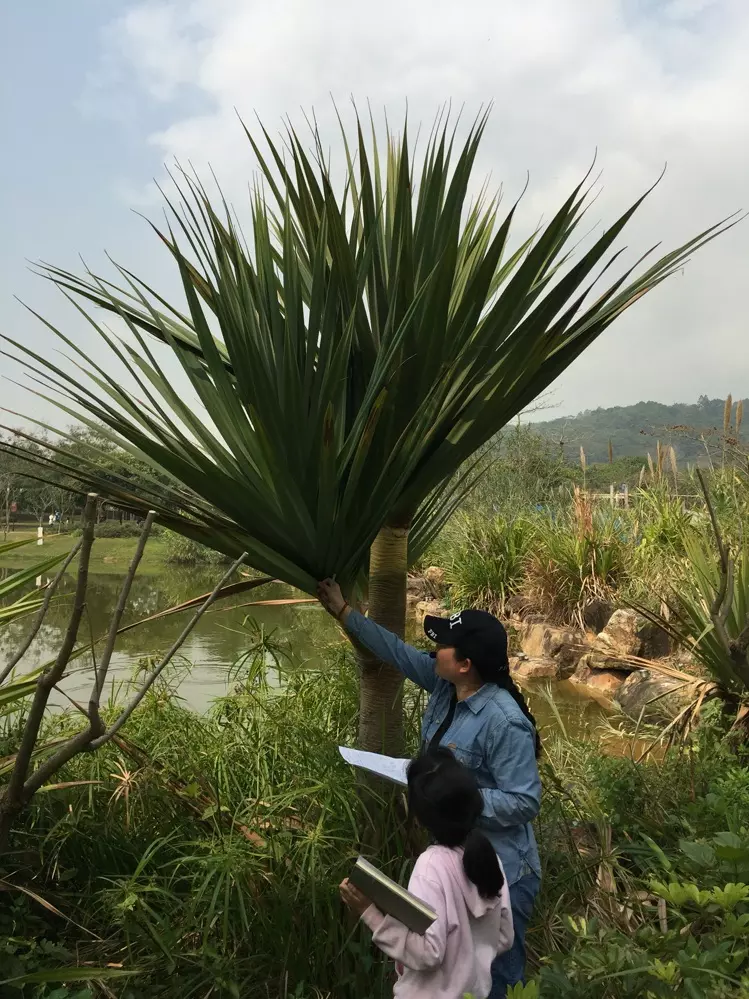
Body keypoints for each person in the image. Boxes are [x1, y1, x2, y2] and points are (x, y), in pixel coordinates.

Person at [318, 580, 541, 998]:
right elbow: (397, 652)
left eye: (444, 645)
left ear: (465, 663)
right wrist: (345, 613)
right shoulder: (445, 684)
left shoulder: (504, 721)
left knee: (498, 977)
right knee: (463, 975)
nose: (433, 649)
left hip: (502, 869)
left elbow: (524, 801)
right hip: (459, 858)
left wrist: (451, 797)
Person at [340, 747, 514, 999]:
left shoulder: (431, 866)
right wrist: (467, 960)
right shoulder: (489, 857)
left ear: (421, 817)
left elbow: (428, 953)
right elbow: (505, 936)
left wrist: (370, 912)